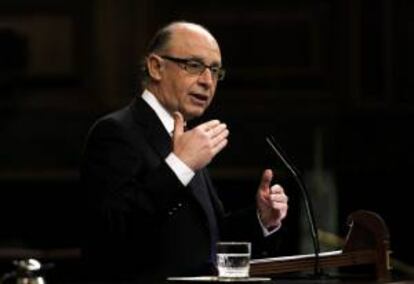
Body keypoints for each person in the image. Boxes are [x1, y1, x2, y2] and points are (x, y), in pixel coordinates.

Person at [80, 21, 288, 281]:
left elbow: (210, 237)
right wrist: (179, 165)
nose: (207, 81)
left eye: (215, 71)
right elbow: (112, 231)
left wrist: (262, 219)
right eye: (194, 66)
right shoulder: (115, 132)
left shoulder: (186, 138)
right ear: (156, 67)